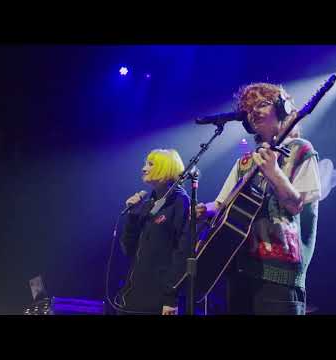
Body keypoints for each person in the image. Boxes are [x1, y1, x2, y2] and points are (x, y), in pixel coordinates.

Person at [196, 83, 322, 315]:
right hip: (238, 268)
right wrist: (203, 209)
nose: (253, 111)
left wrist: (274, 172)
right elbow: (222, 204)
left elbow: (296, 205)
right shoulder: (245, 162)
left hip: (280, 274)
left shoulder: (301, 150)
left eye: (261, 104)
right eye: (248, 108)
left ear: (282, 108)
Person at [115, 149, 190, 315]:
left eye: (151, 164)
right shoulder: (149, 202)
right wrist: (133, 217)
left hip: (159, 298)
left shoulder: (180, 201)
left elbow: (183, 253)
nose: (144, 168)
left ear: (166, 168)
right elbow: (128, 249)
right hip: (133, 293)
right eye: (145, 163)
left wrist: (170, 298)